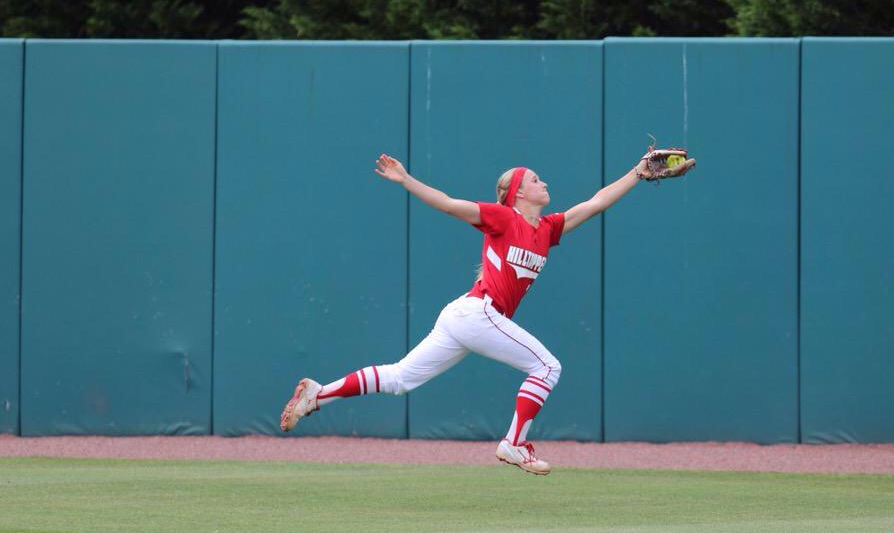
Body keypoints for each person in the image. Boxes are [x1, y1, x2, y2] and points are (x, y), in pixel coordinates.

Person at [280, 151, 694, 475]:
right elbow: (447, 204)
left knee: (401, 379)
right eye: (534, 179)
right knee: (547, 368)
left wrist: (636, 173)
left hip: (467, 317)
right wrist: (406, 180)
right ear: (517, 192)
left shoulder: (546, 229)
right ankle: (513, 443)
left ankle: (321, 392)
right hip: (476, 314)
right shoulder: (503, 217)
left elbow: (596, 203)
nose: (543, 181)